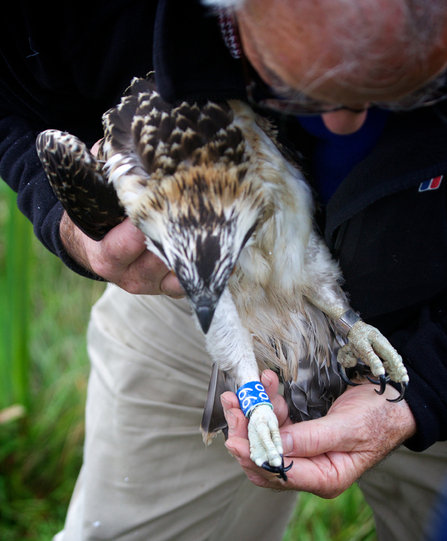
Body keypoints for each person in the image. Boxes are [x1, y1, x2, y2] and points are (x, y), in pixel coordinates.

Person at [1, 0, 447, 540]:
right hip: (193, 307)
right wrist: (73, 223)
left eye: (405, 91)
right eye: (295, 90)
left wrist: (423, 387)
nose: (342, 122)